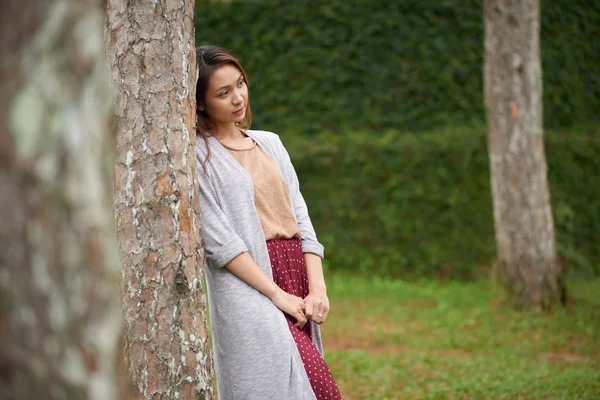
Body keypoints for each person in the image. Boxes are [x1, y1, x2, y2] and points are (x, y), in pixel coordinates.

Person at [194, 45, 342, 400]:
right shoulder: (198, 154)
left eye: (240, 84)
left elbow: (301, 218)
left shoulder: (270, 143)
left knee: (304, 386)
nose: (237, 98)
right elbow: (220, 243)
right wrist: (277, 295)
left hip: (295, 272)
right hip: (250, 280)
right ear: (201, 103)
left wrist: (316, 288)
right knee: (297, 387)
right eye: (223, 93)